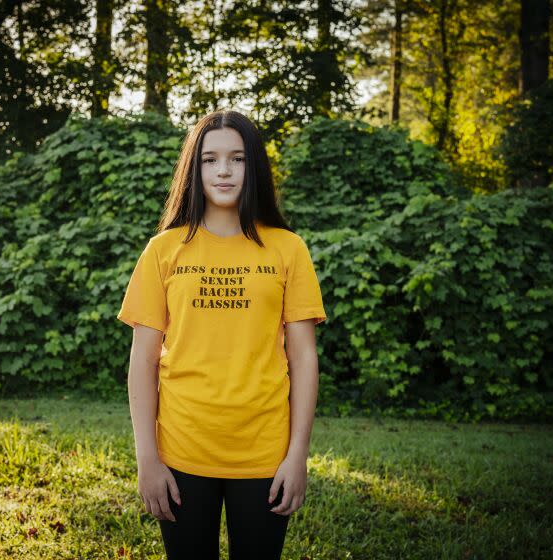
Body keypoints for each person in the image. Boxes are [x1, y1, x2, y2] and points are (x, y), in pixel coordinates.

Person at [116, 109, 327, 560]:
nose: (225, 170)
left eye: (237, 158)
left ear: (255, 167)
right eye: (210, 159)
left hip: (265, 454)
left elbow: (305, 359)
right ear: (195, 169)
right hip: (181, 449)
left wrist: (298, 456)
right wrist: (147, 458)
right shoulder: (164, 250)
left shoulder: (288, 248)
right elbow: (143, 361)